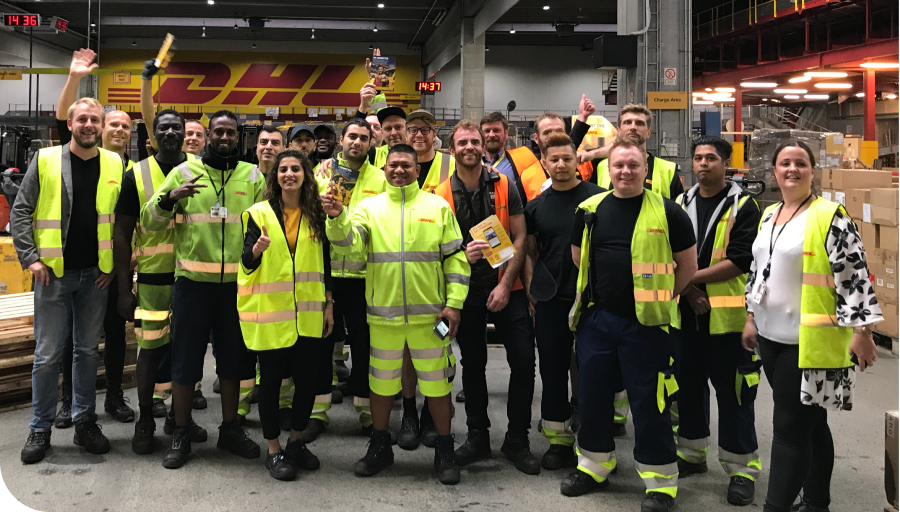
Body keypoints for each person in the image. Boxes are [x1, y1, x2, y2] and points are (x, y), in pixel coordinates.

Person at [742, 141, 881, 512]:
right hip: (771, 338)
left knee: (789, 430)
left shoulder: (829, 215)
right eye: (784, 163)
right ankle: (818, 503)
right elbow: (758, 270)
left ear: (812, 170)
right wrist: (751, 316)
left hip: (809, 344)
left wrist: (863, 332)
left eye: (800, 163)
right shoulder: (770, 213)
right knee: (812, 425)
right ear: (774, 172)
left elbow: (854, 276)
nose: (792, 169)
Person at [321, 144, 469, 485]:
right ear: (384, 169)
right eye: (393, 166)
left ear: (418, 170)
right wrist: (336, 216)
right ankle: (380, 445)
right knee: (380, 386)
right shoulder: (368, 208)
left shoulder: (438, 206)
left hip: (434, 319)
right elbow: (349, 245)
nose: (399, 170)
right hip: (383, 317)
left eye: (406, 165)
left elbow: (455, 259)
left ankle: (444, 450)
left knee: (438, 386)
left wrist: (454, 303)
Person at [564, 137, 697, 512]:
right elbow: (579, 258)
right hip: (597, 321)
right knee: (592, 397)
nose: (625, 171)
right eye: (618, 165)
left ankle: (659, 483)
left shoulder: (670, 213)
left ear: (644, 169)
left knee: (650, 404)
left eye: (633, 165)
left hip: (648, 326)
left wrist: (665, 297)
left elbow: (688, 268)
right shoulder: (589, 209)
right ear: (608, 169)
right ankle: (593, 466)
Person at [142, 109, 264, 469]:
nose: (224, 138)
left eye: (230, 133)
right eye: (218, 132)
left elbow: (263, 224)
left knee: (232, 362)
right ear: (207, 136)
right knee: (185, 363)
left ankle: (230, 429)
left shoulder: (252, 175)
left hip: (235, 290)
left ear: (238, 137)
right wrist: (168, 198)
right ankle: (181, 432)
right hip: (192, 287)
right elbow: (149, 220)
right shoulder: (183, 172)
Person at [14, 97, 123, 463]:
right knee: (47, 355)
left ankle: (84, 422)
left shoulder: (114, 162)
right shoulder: (45, 160)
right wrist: (30, 258)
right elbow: (22, 209)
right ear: (71, 123)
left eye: (95, 119)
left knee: (88, 352)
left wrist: (114, 266)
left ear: (102, 125)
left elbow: (118, 220)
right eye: (83, 119)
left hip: (96, 275)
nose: (89, 125)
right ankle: (40, 428)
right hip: (53, 275)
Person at [432, 120, 537, 475]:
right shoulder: (439, 194)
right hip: (465, 291)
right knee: (472, 364)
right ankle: (478, 436)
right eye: (462, 142)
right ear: (452, 149)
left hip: (508, 285)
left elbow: (520, 237)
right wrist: (464, 255)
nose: (470, 147)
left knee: (523, 361)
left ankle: (517, 440)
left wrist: (506, 285)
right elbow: (436, 249)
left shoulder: (505, 184)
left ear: (483, 146)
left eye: (475, 141)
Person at [110, 109, 208, 454]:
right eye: (162, 127)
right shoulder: (136, 174)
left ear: (185, 133)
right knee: (149, 351)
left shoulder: (202, 169)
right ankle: (146, 419)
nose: (169, 132)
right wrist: (124, 289)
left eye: (176, 127)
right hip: (153, 278)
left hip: (194, 276)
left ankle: (179, 419)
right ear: (152, 134)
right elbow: (120, 234)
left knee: (189, 349)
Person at [672, 136, 762, 506]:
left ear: (727, 164)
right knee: (687, 390)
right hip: (687, 318)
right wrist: (689, 293)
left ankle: (741, 470)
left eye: (711, 158)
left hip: (728, 323)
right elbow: (670, 255)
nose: (703, 164)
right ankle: (692, 456)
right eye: (698, 158)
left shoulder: (745, 205)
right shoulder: (680, 203)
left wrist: (691, 280)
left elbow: (741, 259)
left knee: (735, 395)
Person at [52, 48, 135, 427]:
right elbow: (61, 117)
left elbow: (138, 224)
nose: (117, 130)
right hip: (79, 268)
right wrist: (74, 76)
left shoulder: (133, 170)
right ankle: (68, 400)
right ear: (99, 128)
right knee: (74, 340)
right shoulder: (80, 154)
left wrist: (123, 266)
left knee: (115, 336)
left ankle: (114, 397)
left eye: (124, 126)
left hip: (114, 270)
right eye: (111, 124)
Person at [239, 150, 333, 481]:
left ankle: (295, 443)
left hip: (309, 314)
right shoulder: (257, 214)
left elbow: (327, 263)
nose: (289, 174)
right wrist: (256, 251)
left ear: (306, 175)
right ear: (275, 176)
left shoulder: (316, 213)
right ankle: (273, 449)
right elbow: (246, 264)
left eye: (296, 169)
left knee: (307, 382)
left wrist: (329, 303)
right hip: (273, 316)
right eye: (283, 169)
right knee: (271, 384)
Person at [522, 132, 604, 471]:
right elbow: (529, 251)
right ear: (544, 163)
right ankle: (558, 441)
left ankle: (593, 438)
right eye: (553, 160)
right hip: (551, 301)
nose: (560, 164)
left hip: (593, 301)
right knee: (553, 370)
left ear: (577, 161)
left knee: (593, 371)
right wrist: (530, 289)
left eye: (567, 159)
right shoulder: (535, 207)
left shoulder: (600, 199)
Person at [302, 118, 385, 442]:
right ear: (342, 139)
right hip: (327, 270)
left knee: (365, 345)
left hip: (366, 274)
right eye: (352, 136)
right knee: (321, 343)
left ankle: (366, 413)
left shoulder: (380, 178)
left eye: (364, 138)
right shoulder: (320, 173)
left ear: (370, 143)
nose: (358, 142)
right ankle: (317, 414)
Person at [582, 104, 684, 200]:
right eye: (627, 122)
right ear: (618, 130)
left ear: (648, 132)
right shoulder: (601, 167)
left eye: (639, 123)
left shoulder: (668, 170)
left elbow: (678, 211)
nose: (633, 127)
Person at [516, 96, 596, 203]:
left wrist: (583, 116)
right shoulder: (526, 177)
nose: (553, 136)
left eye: (559, 131)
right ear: (536, 138)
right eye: (547, 132)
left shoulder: (584, 161)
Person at [406, 110, 455, 193]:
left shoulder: (454, 165)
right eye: (413, 130)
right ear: (406, 135)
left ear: (434, 135)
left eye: (425, 130)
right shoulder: (396, 167)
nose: (419, 135)